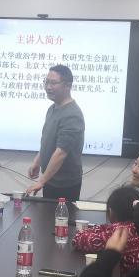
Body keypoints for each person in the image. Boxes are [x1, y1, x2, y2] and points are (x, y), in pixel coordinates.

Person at [72, 186, 139, 276]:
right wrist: (107, 228)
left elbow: (78, 239)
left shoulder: (119, 233)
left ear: (111, 212)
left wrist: (103, 228)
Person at [25, 64, 85, 200]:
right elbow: (48, 142)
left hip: (65, 184)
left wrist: (41, 181)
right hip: (51, 179)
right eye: (46, 82)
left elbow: (61, 153)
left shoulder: (72, 115)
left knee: (60, 214)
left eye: (53, 83)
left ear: (67, 85)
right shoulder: (52, 108)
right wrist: (37, 161)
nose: (48, 87)